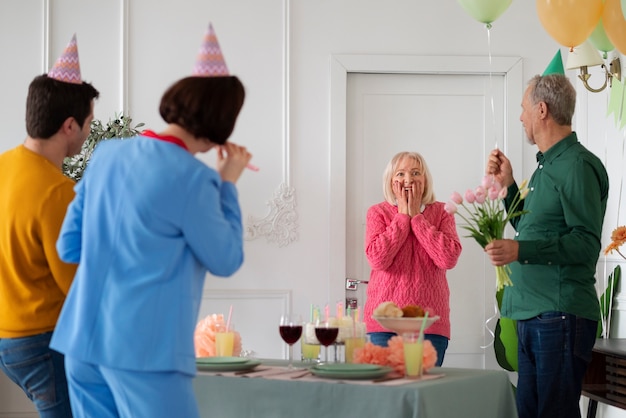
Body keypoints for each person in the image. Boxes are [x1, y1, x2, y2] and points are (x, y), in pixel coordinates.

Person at [49, 24, 251, 418]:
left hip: (81, 345)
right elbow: (226, 259)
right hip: (144, 353)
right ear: (219, 127)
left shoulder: (106, 155)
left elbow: (68, 246)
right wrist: (228, 185)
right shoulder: (196, 180)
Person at [485, 72, 609, 418]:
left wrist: (519, 251)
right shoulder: (546, 168)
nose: (521, 117)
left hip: (558, 315)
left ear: (542, 110)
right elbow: (531, 229)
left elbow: (585, 244)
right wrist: (509, 186)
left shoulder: (578, 166)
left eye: (524, 108)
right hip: (534, 315)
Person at [0, 35, 99, 418]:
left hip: (7, 339)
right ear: (69, 125)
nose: (89, 133)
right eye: (89, 123)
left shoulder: (4, 166)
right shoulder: (59, 192)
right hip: (42, 340)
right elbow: (74, 284)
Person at [363, 151, 462, 366]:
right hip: (384, 326)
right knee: (386, 394)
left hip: (430, 325)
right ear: (390, 181)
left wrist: (417, 217)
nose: (408, 180)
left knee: (424, 393)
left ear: (425, 179)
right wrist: (402, 216)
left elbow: (448, 259)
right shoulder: (377, 213)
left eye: (415, 173)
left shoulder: (443, 213)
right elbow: (378, 260)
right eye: (400, 174)